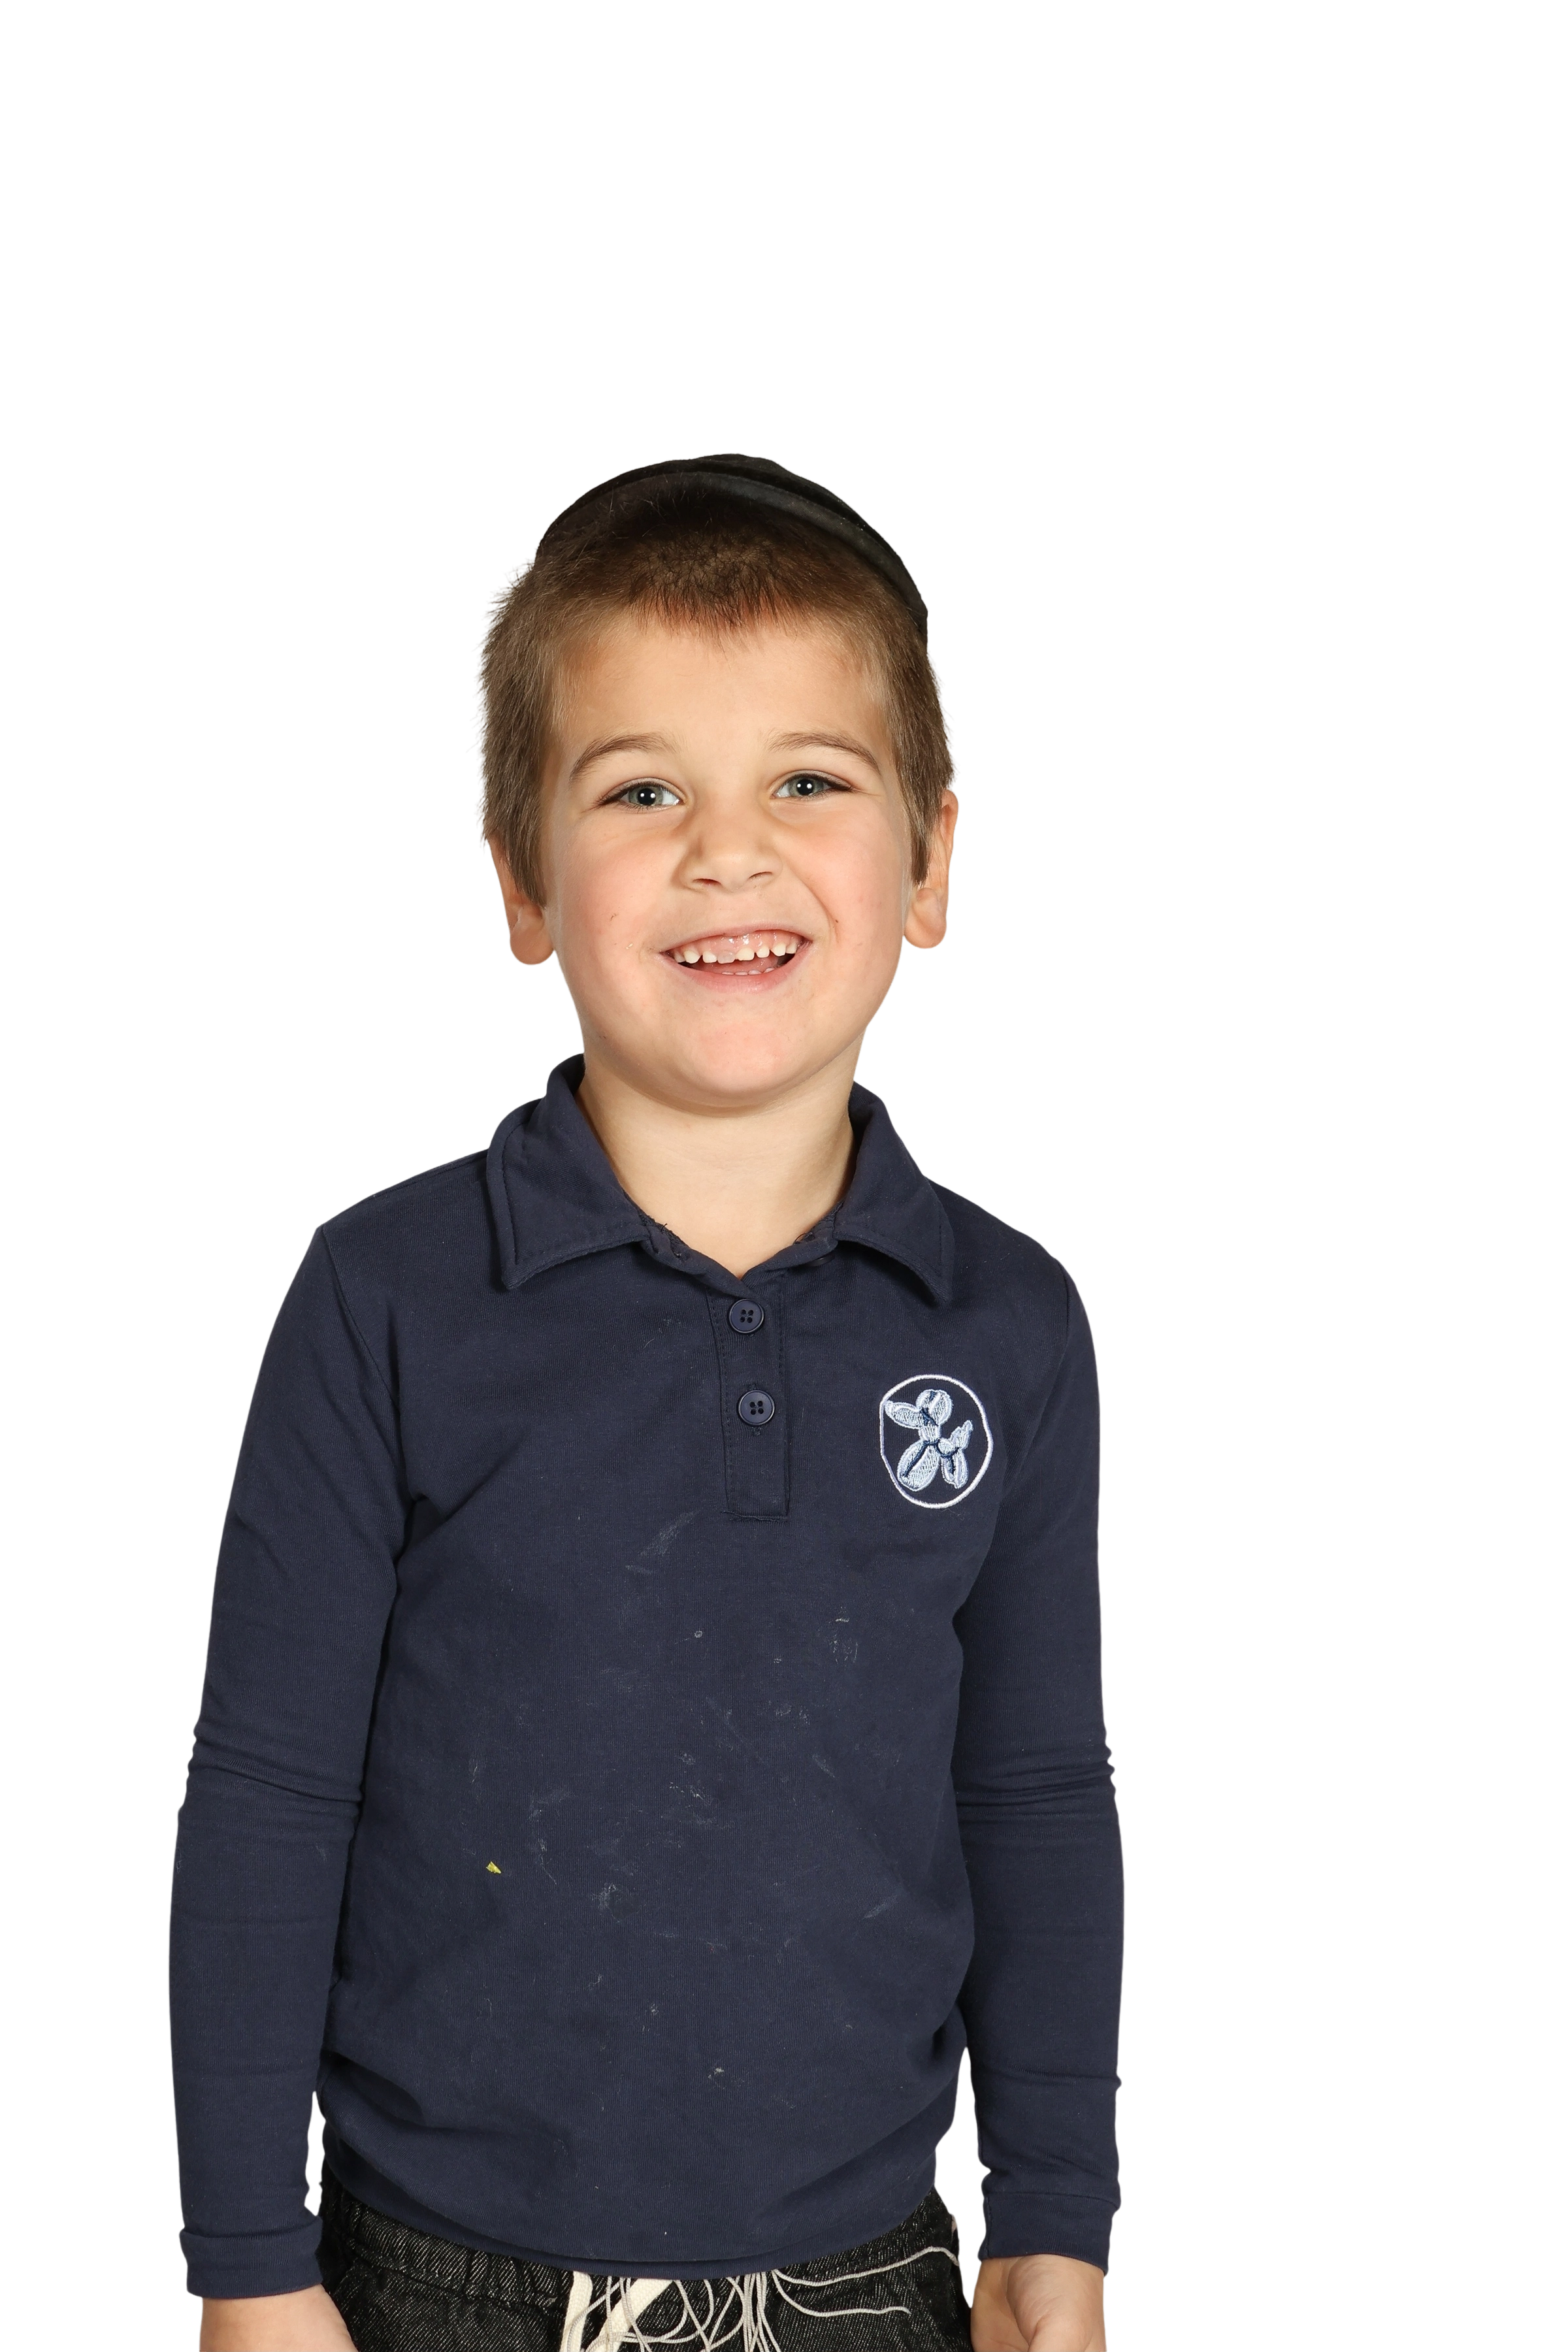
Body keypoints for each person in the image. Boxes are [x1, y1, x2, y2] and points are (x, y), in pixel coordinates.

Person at [167, 454, 1126, 2352]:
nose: (727, 852)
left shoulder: (1010, 1320)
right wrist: (247, 2264)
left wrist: (1056, 2217)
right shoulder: (381, 1298)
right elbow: (269, 1796)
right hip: (431, 2284)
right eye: (641, 791)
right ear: (521, 881)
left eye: (808, 782)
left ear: (933, 863)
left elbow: (1033, 1797)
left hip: (868, 2285)